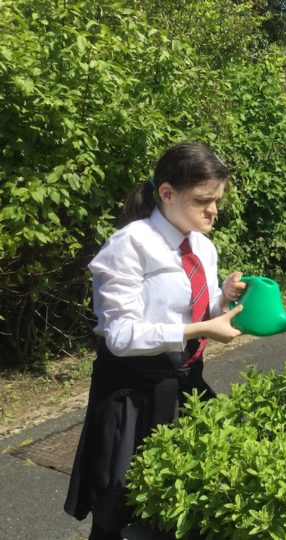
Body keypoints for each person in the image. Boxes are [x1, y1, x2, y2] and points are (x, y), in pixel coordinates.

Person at [64, 142, 247, 539]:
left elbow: (197, 309)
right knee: (118, 505)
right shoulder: (129, 246)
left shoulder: (202, 244)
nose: (213, 211)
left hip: (184, 383)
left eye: (217, 200)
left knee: (183, 501)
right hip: (132, 393)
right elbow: (121, 336)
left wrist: (223, 299)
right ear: (167, 193)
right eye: (203, 200)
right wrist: (199, 331)